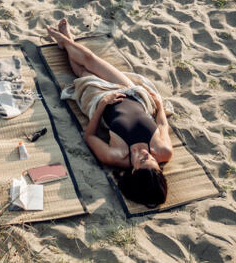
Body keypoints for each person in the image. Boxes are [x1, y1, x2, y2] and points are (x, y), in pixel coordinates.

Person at [46, 17, 172, 207]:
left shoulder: (115, 156)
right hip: (132, 93)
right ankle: (65, 41)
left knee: (83, 73)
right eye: (152, 160)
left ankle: (66, 41)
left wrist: (103, 104)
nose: (147, 153)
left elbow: (89, 136)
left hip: (101, 101)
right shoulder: (164, 151)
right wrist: (160, 105)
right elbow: (162, 124)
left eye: (142, 159)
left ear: (134, 171)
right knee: (90, 60)